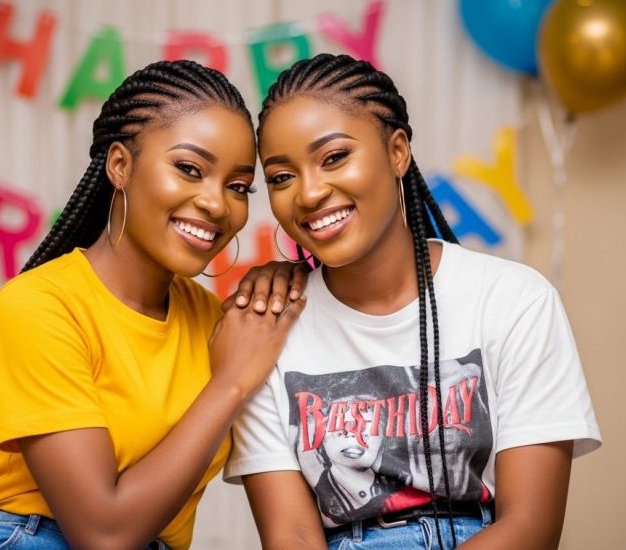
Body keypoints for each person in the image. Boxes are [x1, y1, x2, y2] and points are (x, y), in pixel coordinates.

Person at [0, 59, 308, 550]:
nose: (217, 204)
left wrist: (290, 277)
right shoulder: (40, 306)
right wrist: (229, 384)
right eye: (189, 169)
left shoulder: (214, 321)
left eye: (237, 187)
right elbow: (103, 533)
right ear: (120, 165)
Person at [225, 53, 602, 550]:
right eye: (280, 177)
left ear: (397, 150)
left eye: (334, 157)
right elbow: (291, 536)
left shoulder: (514, 300)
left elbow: (529, 528)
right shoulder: (265, 329)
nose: (310, 192)